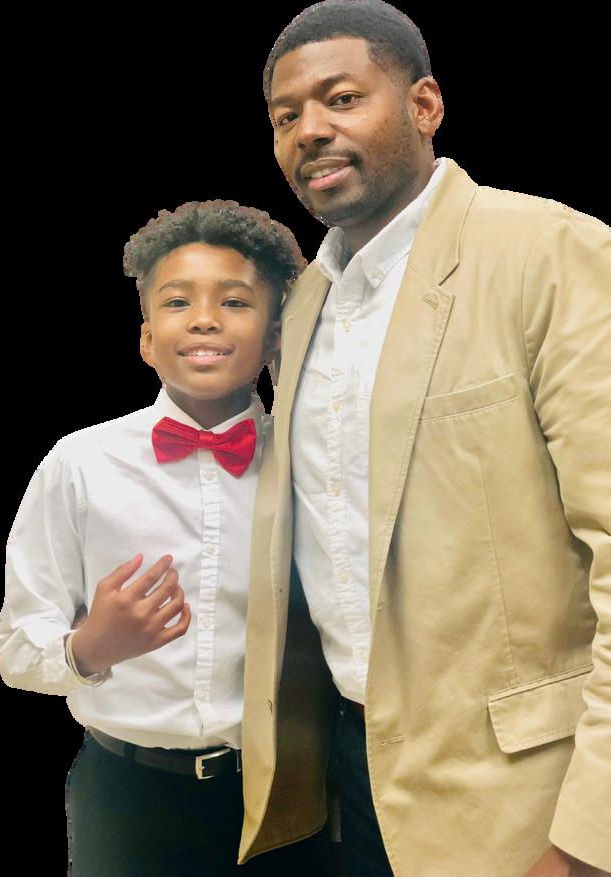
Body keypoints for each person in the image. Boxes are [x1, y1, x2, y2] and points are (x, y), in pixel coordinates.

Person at [237, 2, 611, 876]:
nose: (310, 131)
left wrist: (589, 835)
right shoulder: (305, 301)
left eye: (341, 98)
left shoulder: (549, 251)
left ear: (425, 105)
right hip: (350, 782)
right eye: (286, 117)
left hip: (523, 800)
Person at [0, 200, 333, 876]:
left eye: (234, 301)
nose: (204, 318)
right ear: (147, 338)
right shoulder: (79, 464)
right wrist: (92, 647)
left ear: (274, 336)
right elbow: (14, 646)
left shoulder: (310, 464)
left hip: (281, 792)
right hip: (126, 796)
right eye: (178, 302)